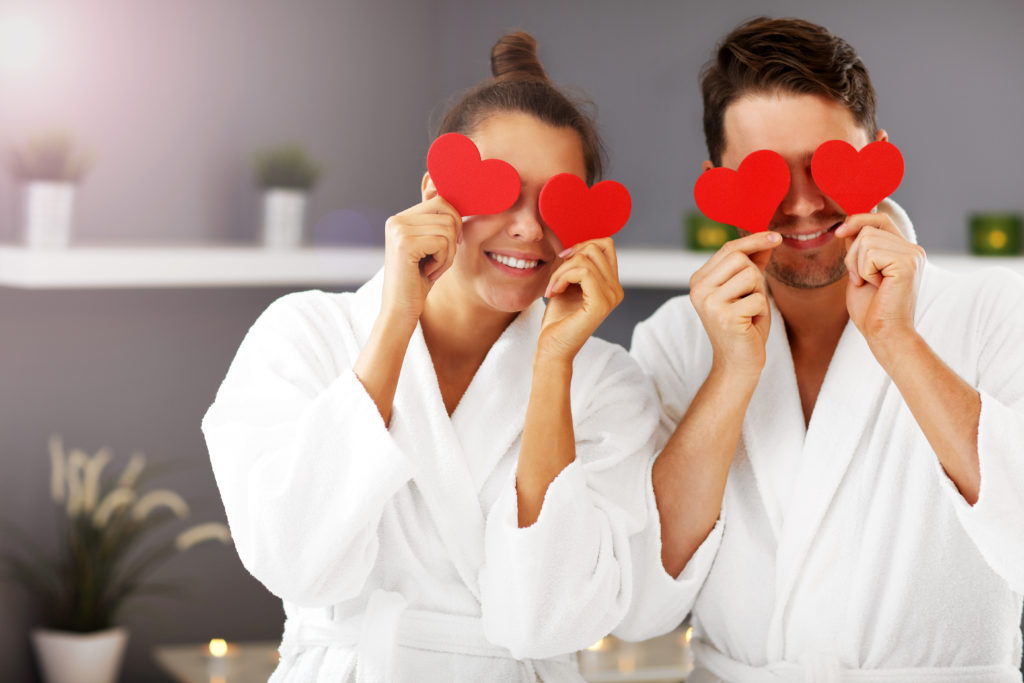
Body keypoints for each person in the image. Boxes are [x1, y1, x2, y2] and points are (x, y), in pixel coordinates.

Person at [202, 31, 659, 683]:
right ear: (436, 194)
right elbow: (295, 561)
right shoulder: (304, 334)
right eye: (502, 190)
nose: (530, 228)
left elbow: (546, 620)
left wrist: (553, 363)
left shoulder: (608, 383)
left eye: (557, 201)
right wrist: (395, 316)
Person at [620, 16, 1024, 682]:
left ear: (879, 152)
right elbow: (640, 601)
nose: (804, 204)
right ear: (717, 178)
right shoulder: (676, 339)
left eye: (826, 166)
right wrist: (730, 376)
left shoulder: (992, 313)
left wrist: (898, 342)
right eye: (764, 175)